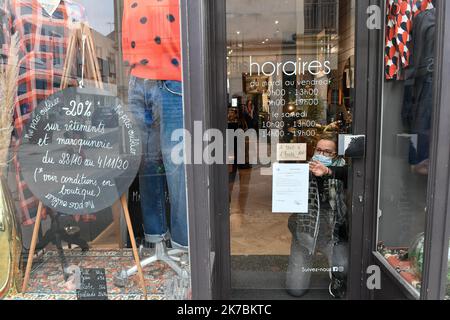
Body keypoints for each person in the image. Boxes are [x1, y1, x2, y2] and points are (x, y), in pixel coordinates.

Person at [286, 133, 349, 299]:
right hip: (305, 232)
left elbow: (348, 174)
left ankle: (337, 278)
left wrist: (328, 171)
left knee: (343, 269)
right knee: (295, 289)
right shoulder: (304, 169)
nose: (322, 154)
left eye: (327, 152)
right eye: (319, 150)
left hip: (333, 234)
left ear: (335, 155)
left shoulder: (343, 170)